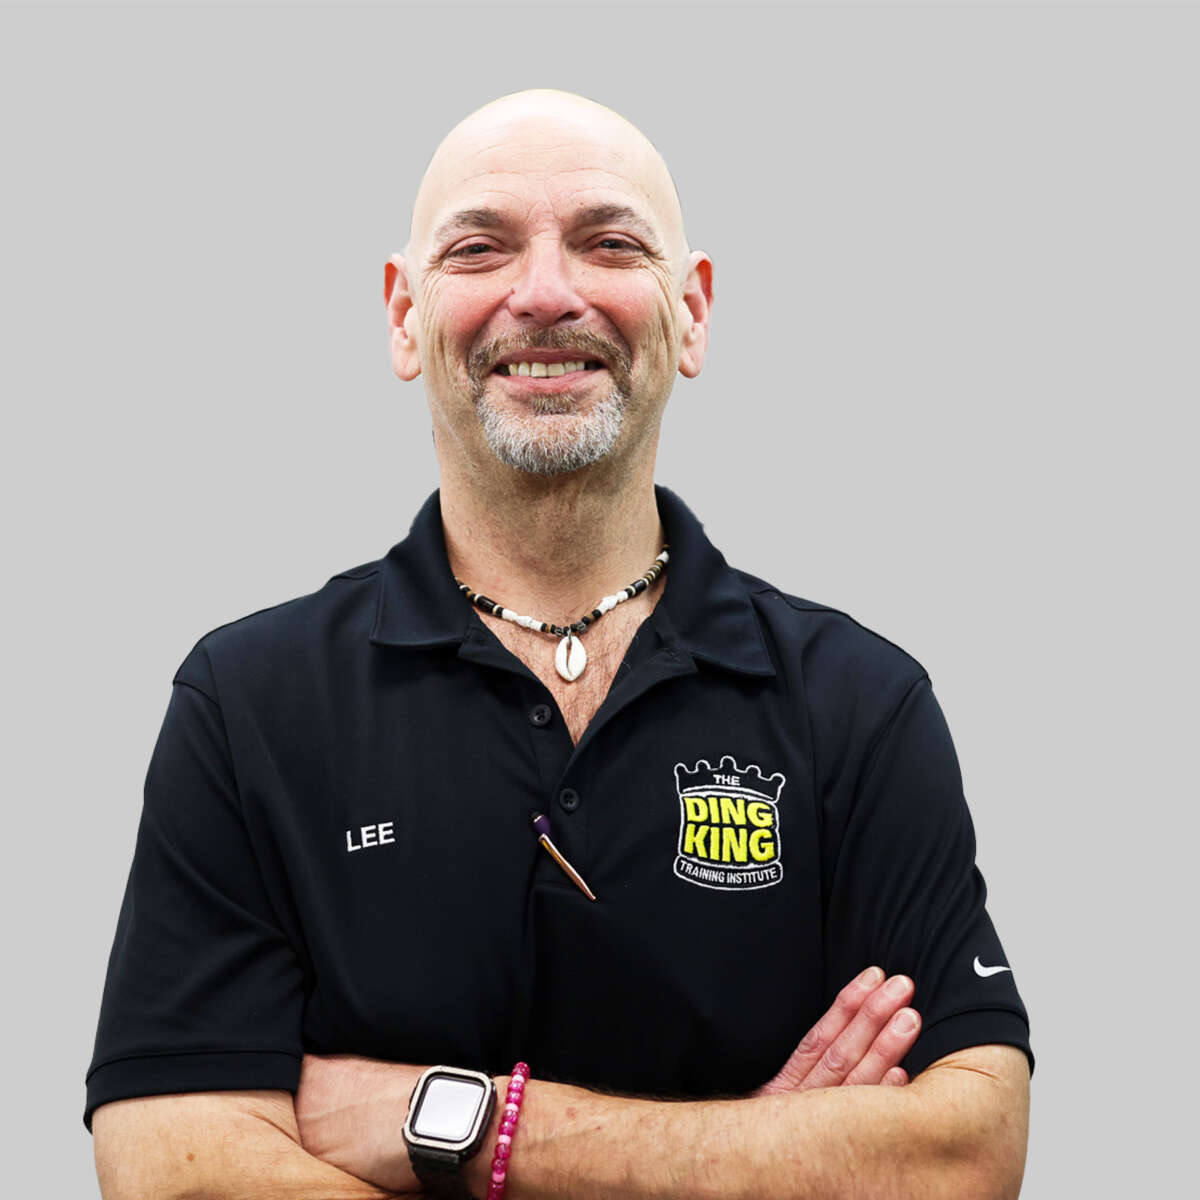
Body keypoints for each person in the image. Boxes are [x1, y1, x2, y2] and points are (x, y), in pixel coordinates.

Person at [86, 88, 1032, 1199]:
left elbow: (967, 1154)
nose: (544, 294)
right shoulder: (248, 703)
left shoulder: (860, 704)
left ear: (694, 311)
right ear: (403, 315)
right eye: (480, 248)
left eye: (609, 243)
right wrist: (755, 1165)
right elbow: (172, 1165)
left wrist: (478, 1127)